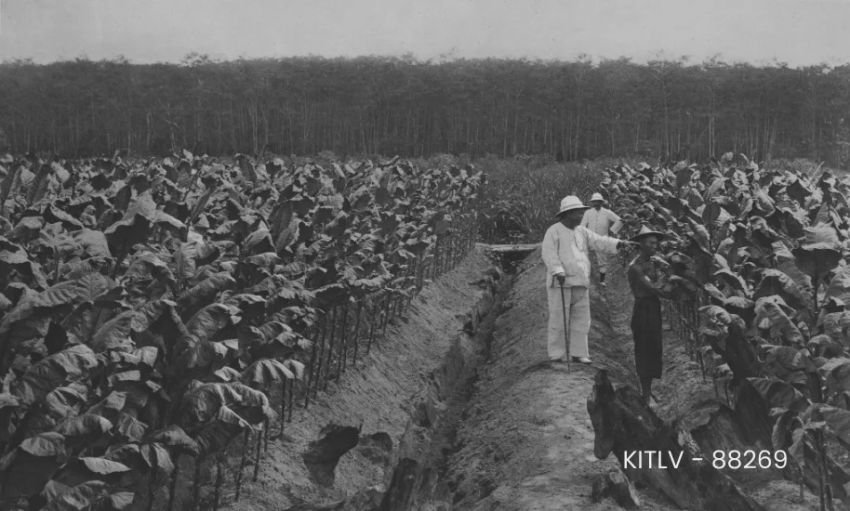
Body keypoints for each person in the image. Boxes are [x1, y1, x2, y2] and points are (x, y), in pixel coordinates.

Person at [542, 195, 637, 364]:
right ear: (567, 214)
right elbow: (549, 254)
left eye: (581, 212)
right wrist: (558, 270)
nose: (580, 216)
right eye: (577, 213)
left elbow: (599, 241)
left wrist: (619, 243)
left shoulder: (582, 231)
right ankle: (557, 354)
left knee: (582, 319)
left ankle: (579, 353)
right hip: (561, 283)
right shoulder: (554, 231)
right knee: (559, 318)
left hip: (580, 281)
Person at [627, 225, 673, 404]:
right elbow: (656, 289)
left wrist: (666, 269)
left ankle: (649, 389)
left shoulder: (652, 262)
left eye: (656, 243)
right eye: (651, 243)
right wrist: (671, 279)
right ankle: (645, 393)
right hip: (643, 310)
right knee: (644, 350)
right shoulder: (636, 267)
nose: (655, 246)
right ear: (642, 244)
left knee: (654, 348)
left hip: (653, 309)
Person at [581, 192, 623, 286]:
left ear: (601, 202)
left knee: (602, 260)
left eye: (598, 202)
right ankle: (586, 277)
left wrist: (613, 231)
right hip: (590, 238)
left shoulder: (607, 212)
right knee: (584, 256)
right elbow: (582, 225)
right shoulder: (588, 213)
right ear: (592, 203)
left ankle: (602, 280)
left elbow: (619, 220)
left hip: (602, 239)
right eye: (594, 202)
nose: (596, 204)